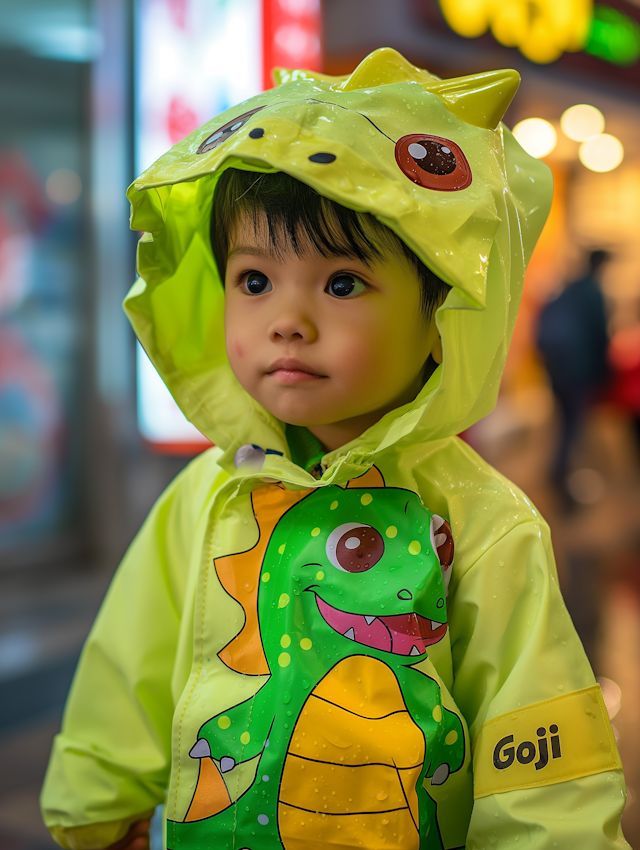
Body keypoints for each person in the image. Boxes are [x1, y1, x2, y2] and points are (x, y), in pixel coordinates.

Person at [41, 48, 628, 850]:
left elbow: (534, 744)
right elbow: (128, 666)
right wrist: (98, 808)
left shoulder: (483, 520)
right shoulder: (209, 495)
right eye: (254, 280)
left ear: (439, 320)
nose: (288, 319)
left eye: (342, 283)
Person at [537, 250, 611, 507]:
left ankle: (558, 471)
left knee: (565, 420)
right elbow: (600, 334)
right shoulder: (593, 291)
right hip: (577, 369)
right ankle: (563, 477)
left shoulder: (570, 288)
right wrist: (603, 373)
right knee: (573, 423)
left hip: (556, 366)